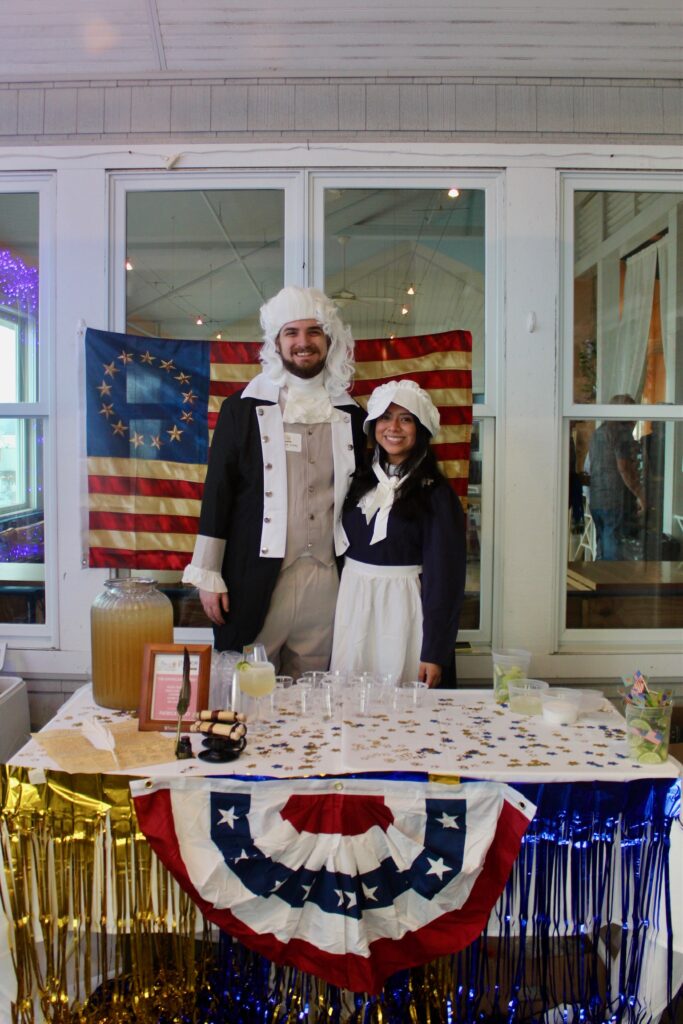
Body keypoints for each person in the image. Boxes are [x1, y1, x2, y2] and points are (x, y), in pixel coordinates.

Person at [182, 286, 367, 676]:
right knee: (251, 695)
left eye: (313, 332)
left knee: (316, 693)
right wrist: (209, 574)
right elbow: (219, 494)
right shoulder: (242, 410)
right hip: (257, 576)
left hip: (328, 578)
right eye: (292, 333)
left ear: (329, 340)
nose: (303, 343)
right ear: (276, 343)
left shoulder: (351, 415)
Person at [330, 379, 467, 688]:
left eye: (406, 418)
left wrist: (434, 652)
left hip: (406, 607)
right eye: (385, 417)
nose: (394, 427)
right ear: (373, 424)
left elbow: (446, 579)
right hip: (355, 604)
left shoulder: (436, 493)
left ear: (420, 428)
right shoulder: (356, 480)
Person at [587, 394, 645, 560]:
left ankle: (599, 581)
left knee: (601, 546)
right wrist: (641, 494)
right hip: (614, 499)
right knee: (613, 550)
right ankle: (611, 584)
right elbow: (624, 469)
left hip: (596, 497)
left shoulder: (598, 433)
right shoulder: (620, 434)